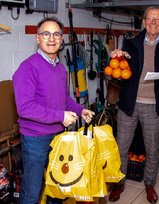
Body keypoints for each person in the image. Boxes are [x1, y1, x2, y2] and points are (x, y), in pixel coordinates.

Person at [12, 17, 94, 204]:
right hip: (35, 139)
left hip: (58, 137)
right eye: (46, 34)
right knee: (32, 192)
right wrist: (60, 116)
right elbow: (25, 108)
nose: (51, 38)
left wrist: (81, 110)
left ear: (62, 38)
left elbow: (64, 99)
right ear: (37, 38)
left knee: (57, 187)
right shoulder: (27, 68)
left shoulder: (60, 68)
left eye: (56, 34)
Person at [108, 6, 159, 204]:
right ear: (143, 22)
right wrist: (116, 58)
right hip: (128, 104)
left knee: (152, 149)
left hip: (154, 106)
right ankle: (119, 183)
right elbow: (121, 74)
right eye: (150, 19)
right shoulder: (130, 43)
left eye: (158, 20)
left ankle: (149, 183)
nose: (153, 23)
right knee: (121, 147)